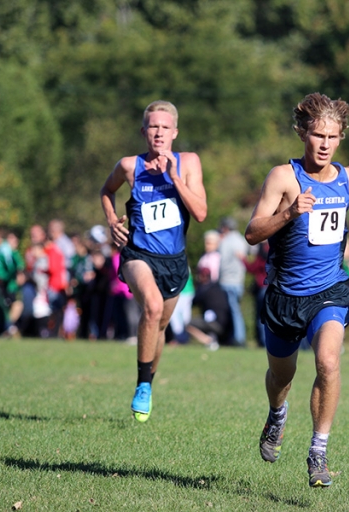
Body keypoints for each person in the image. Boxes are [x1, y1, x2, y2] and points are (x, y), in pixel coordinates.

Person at [245, 93, 349, 487]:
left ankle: (318, 451)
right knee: (281, 377)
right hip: (284, 296)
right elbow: (252, 233)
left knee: (328, 361)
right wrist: (290, 212)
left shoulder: (348, 176)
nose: (324, 144)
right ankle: (277, 415)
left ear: (341, 138)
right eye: (317, 135)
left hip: (329, 289)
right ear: (302, 133)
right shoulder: (283, 178)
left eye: (332, 137)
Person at [100, 100, 207, 422]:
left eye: (164, 127)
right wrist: (111, 221)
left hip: (174, 261)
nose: (158, 132)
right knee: (152, 307)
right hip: (138, 254)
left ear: (175, 132)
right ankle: (143, 385)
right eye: (152, 127)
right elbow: (107, 190)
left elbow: (201, 213)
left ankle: (148, 380)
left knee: (159, 326)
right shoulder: (129, 166)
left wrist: (175, 179)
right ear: (143, 131)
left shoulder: (188, 162)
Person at [217, 217, 248, 346]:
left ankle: (238, 338)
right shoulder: (242, 240)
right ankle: (236, 337)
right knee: (235, 309)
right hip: (239, 280)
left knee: (232, 311)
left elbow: (222, 262)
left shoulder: (226, 241)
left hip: (227, 280)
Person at [186, 266, 230, 350]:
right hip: (225, 324)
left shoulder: (204, 289)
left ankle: (209, 340)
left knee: (188, 325)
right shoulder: (218, 287)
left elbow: (194, 301)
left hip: (215, 323)